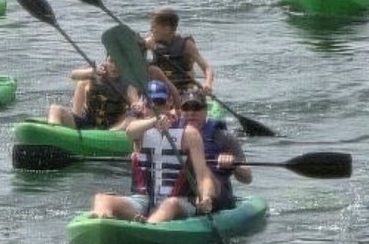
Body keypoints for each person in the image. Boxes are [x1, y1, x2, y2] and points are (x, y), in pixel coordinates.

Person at [89, 90, 251, 223]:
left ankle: (148, 227)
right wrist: (154, 122)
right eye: (187, 108)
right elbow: (130, 130)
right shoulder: (143, 130)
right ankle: (102, 224)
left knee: (173, 202)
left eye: (196, 108)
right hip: (146, 198)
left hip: (187, 197)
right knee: (101, 198)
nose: (191, 113)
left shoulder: (213, 136)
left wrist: (208, 194)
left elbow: (204, 176)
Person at [47, 59, 152, 130]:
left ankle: (106, 137)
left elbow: (135, 100)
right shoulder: (95, 72)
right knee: (55, 109)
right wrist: (92, 72)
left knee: (132, 120)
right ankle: (54, 135)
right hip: (87, 121)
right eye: (111, 61)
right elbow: (73, 75)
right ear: (106, 61)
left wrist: (137, 105)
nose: (114, 67)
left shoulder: (128, 83)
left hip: (112, 127)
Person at [146, 8, 214, 96]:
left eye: (154, 27)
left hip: (185, 89)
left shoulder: (186, 44)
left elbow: (207, 68)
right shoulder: (151, 42)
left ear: (167, 29)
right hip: (161, 91)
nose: (151, 31)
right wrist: (144, 46)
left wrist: (208, 84)